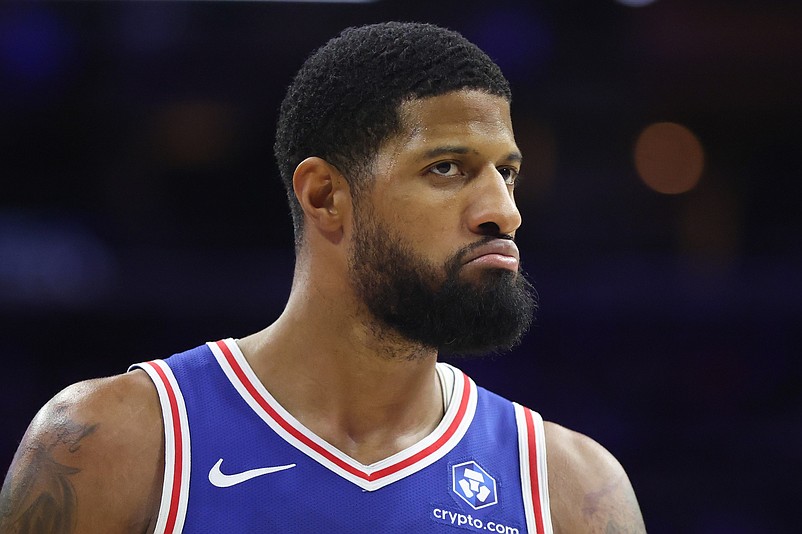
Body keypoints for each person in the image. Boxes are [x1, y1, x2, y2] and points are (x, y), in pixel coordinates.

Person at [0, 22, 646, 533]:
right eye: (448, 168)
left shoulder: (571, 490)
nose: (503, 211)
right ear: (326, 195)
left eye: (506, 173)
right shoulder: (115, 441)